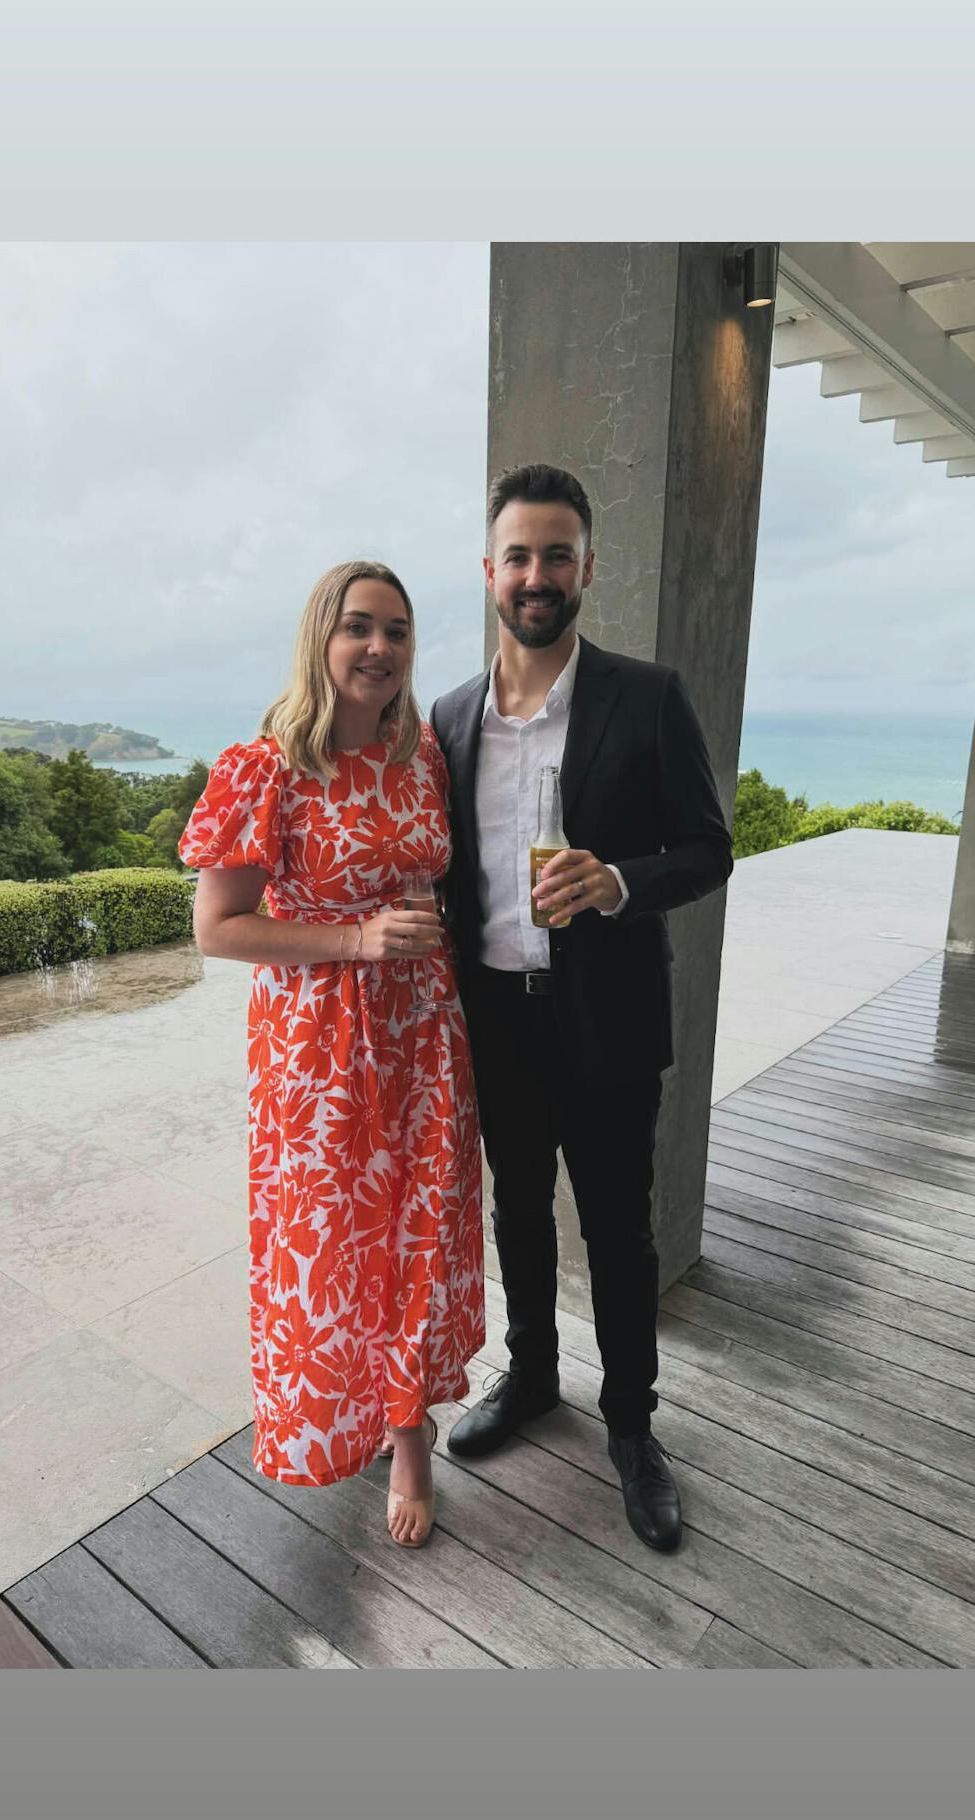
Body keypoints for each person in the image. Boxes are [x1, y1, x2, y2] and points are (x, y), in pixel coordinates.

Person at [431, 464, 733, 1553]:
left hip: (607, 1018)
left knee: (617, 1229)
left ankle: (633, 1427)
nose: (537, 574)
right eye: (518, 555)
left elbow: (707, 848)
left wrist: (615, 883)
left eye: (556, 554)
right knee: (517, 1209)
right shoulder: (449, 716)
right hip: (497, 1019)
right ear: (489, 571)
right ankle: (532, 1377)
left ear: (586, 567)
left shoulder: (646, 696)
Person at [179, 559, 484, 1549]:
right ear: (321, 636)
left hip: (423, 1037)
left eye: (396, 629)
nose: (379, 647)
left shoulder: (422, 754)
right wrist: (354, 938)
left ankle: (408, 1437)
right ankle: (351, 1417)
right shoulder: (264, 767)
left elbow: (432, 873)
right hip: (318, 1054)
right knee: (335, 1246)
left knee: (416, 1237)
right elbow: (218, 928)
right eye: (358, 626)